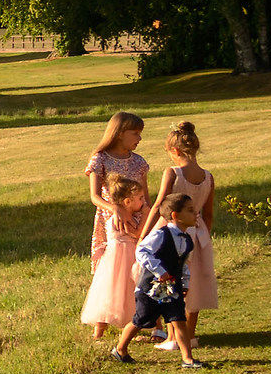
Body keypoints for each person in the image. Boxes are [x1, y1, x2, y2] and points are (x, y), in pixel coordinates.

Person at [140, 120, 218, 351]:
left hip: (172, 230)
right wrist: (203, 237)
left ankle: (173, 338)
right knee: (193, 283)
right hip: (198, 231)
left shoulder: (172, 172)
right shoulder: (208, 176)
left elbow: (158, 205)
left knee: (170, 280)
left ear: (174, 151)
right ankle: (190, 335)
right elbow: (209, 213)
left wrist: (144, 236)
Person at [115, 192, 206, 368]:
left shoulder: (187, 240)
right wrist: (159, 270)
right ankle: (120, 349)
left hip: (173, 288)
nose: (196, 214)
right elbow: (142, 251)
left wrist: (185, 284)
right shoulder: (161, 235)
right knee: (140, 320)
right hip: (150, 288)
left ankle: (187, 358)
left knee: (179, 320)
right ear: (175, 215)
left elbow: (182, 264)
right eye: (190, 210)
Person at [81, 173, 146, 342]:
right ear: (127, 202)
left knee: (116, 291)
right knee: (117, 290)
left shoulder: (121, 215)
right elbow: (138, 233)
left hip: (116, 257)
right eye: (140, 198)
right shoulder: (123, 218)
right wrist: (147, 212)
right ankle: (102, 329)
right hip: (122, 256)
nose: (143, 201)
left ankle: (103, 330)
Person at [85, 110, 149, 262]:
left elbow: (145, 196)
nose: (139, 138)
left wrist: (149, 219)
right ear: (120, 133)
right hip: (112, 221)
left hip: (137, 222)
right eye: (135, 133)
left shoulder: (139, 162)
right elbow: (95, 196)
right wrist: (115, 209)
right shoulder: (100, 159)